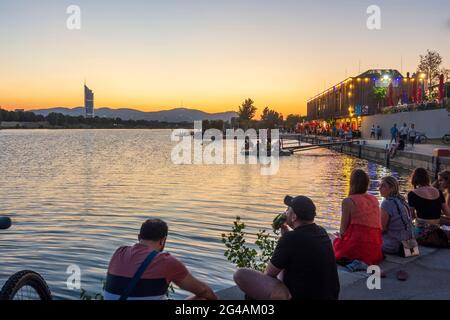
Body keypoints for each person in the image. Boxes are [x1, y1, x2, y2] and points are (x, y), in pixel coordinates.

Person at [234, 196, 340, 300]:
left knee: (241, 274)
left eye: (287, 209)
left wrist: (285, 238)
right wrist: (285, 236)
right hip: (330, 296)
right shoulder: (321, 231)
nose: (285, 212)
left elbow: (269, 274)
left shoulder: (291, 238)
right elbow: (300, 246)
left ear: (294, 217)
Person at [104, 219, 218, 300]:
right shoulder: (166, 261)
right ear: (163, 241)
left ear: (139, 237)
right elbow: (203, 290)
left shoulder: (119, 252)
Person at [333, 169, 383, 265]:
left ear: (351, 183)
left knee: (331, 240)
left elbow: (343, 231)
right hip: (374, 251)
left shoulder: (348, 201)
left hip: (356, 249)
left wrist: (338, 237)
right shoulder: (374, 199)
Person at [407, 168, 450, 237]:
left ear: (414, 179)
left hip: (421, 231)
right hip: (436, 228)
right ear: (427, 178)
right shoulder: (438, 192)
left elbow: (411, 216)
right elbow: (447, 213)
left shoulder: (412, 194)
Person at [379, 176, 414, 255]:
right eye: (380, 185)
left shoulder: (387, 203)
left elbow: (382, 229)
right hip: (410, 244)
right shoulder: (402, 200)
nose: (379, 188)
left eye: (383, 186)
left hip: (395, 245)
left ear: (392, 188)